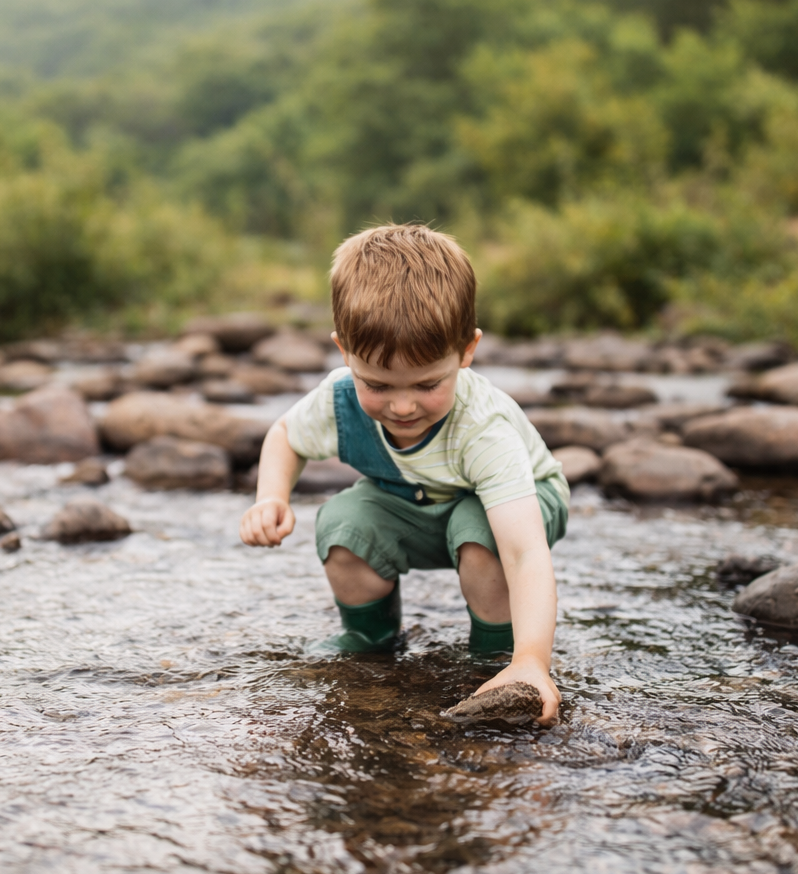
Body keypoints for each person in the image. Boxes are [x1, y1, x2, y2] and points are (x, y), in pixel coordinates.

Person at [239, 223, 569, 726]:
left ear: (467, 351)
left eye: (427, 383)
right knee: (344, 522)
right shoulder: (339, 398)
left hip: (516, 510)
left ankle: (498, 652)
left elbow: (524, 554)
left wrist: (533, 661)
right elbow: (285, 434)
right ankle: (370, 636)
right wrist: (271, 496)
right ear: (344, 351)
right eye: (377, 384)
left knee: (478, 533)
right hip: (414, 503)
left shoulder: (483, 428)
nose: (402, 405)